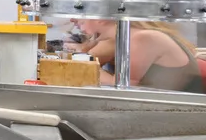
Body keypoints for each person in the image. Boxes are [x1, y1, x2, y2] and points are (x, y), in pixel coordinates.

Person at [62, 18, 206, 92]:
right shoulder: (127, 35)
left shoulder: (143, 38)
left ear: (101, 18)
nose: (73, 20)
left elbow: (125, 88)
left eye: (82, 15)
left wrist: (85, 67)